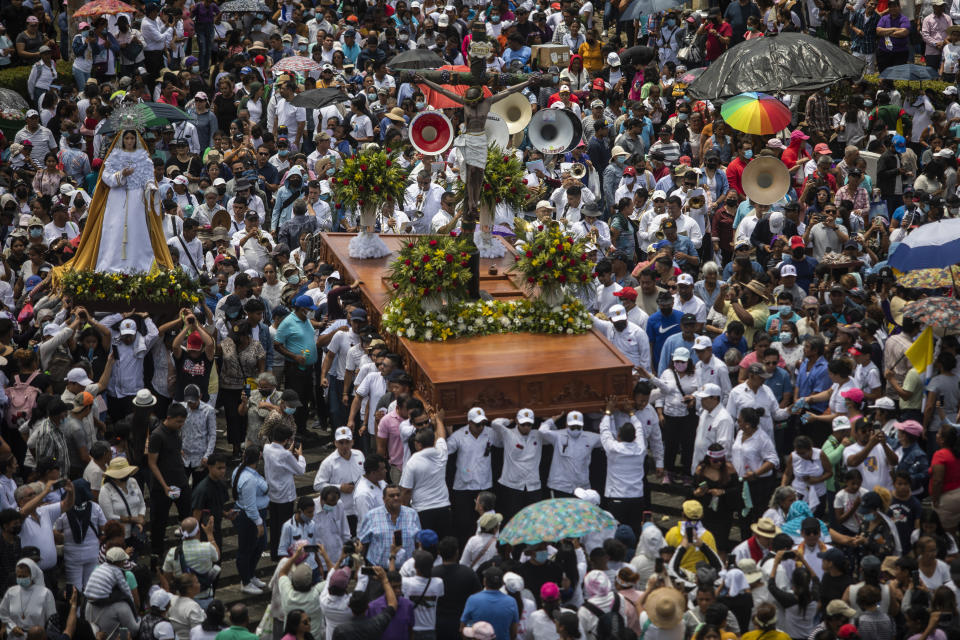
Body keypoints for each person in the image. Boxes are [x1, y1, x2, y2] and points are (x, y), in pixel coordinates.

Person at [63, 130, 174, 274]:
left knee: (136, 229)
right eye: (127, 138)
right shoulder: (114, 156)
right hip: (116, 198)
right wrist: (121, 174)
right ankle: (110, 264)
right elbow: (106, 177)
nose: (129, 141)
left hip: (136, 199)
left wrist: (150, 186)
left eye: (132, 138)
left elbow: (148, 177)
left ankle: (138, 265)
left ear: (136, 140)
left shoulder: (142, 157)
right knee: (114, 228)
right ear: (122, 140)